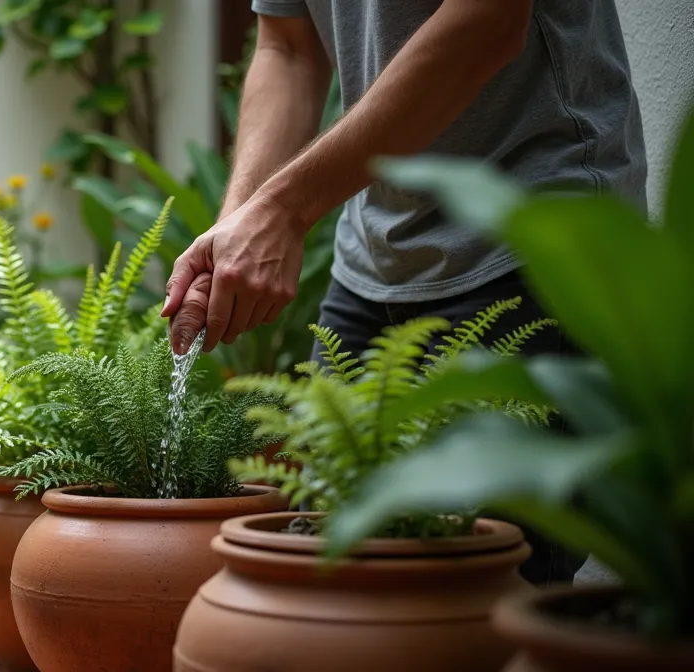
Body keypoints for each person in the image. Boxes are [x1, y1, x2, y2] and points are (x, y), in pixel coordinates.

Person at [161, 0, 646, 586]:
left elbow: (488, 22)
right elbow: (287, 47)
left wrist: (284, 210)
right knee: (333, 578)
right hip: (371, 262)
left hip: (525, 241)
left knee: (478, 606)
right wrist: (238, 226)